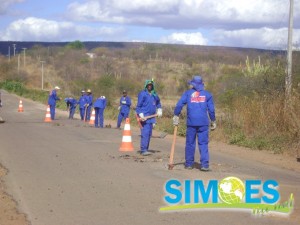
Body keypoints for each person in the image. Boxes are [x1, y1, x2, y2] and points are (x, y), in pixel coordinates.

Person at [173, 75, 216, 171]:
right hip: (203, 123)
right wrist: (213, 120)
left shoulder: (188, 94)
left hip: (191, 123)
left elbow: (179, 104)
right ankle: (205, 165)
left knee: (190, 143)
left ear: (193, 84)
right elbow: (211, 110)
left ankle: (189, 164)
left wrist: (176, 115)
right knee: (203, 143)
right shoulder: (207, 95)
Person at [136, 79, 162, 156]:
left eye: (151, 85)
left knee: (149, 133)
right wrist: (140, 114)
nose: (149, 86)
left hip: (152, 117)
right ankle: (143, 149)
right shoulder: (142, 94)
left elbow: (158, 103)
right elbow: (138, 106)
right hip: (144, 117)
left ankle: (145, 149)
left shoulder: (154, 94)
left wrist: (159, 109)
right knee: (145, 133)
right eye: (148, 85)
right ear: (146, 86)